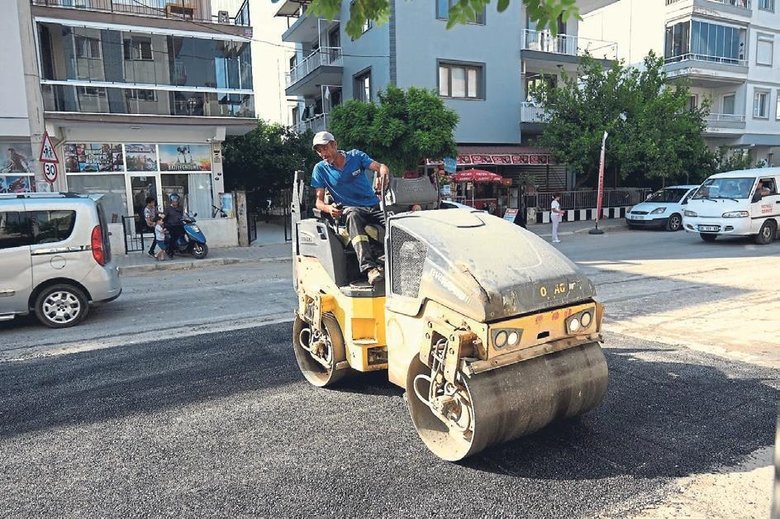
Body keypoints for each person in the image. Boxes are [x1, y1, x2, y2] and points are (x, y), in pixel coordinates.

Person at [311, 130, 390, 286]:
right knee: (352, 215)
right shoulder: (320, 169)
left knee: (394, 222)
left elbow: (381, 167)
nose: (322, 153)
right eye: (319, 151)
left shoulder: (356, 156)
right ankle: (370, 269)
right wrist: (329, 209)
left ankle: (390, 260)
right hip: (351, 210)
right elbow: (318, 202)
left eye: (325, 148)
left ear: (334, 145)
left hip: (373, 205)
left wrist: (382, 176)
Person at [164, 193, 185, 258]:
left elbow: (184, 214)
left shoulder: (181, 208)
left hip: (180, 224)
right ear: (171, 201)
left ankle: (184, 248)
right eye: (173, 201)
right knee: (173, 238)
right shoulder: (168, 208)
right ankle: (170, 252)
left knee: (186, 234)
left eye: (176, 201)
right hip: (172, 225)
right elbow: (164, 217)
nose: (175, 202)